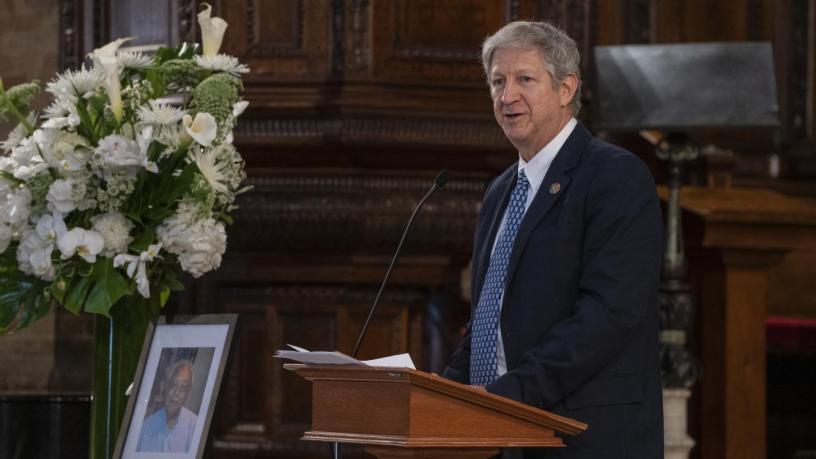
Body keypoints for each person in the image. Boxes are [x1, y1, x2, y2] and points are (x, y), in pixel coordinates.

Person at [442, 21, 664, 458]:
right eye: (497, 82)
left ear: (566, 89)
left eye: (524, 79)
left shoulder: (615, 176)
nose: (507, 97)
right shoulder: (501, 190)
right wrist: (442, 392)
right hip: (504, 429)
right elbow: (490, 317)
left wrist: (509, 394)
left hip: (582, 435)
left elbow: (608, 314)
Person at [137, 359, 199, 452]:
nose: (176, 392)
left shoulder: (196, 427)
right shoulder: (146, 426)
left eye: (183, 387)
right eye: (174, 384)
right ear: (166, 386)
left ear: (188, 393)